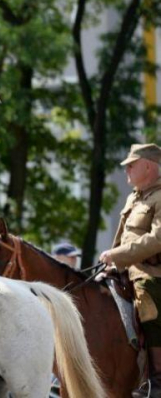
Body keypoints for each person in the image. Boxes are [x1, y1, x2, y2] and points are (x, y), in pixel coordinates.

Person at [100, 143, 161, 398]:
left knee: (147, 302)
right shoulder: (133, 198)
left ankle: (156, 378)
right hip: (124, 270)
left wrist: (117, 256)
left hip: (152, 274)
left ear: (148, 166)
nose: (126, 171)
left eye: (131, 165)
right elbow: (120, 238)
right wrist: (109, 264)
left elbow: (156, 240)